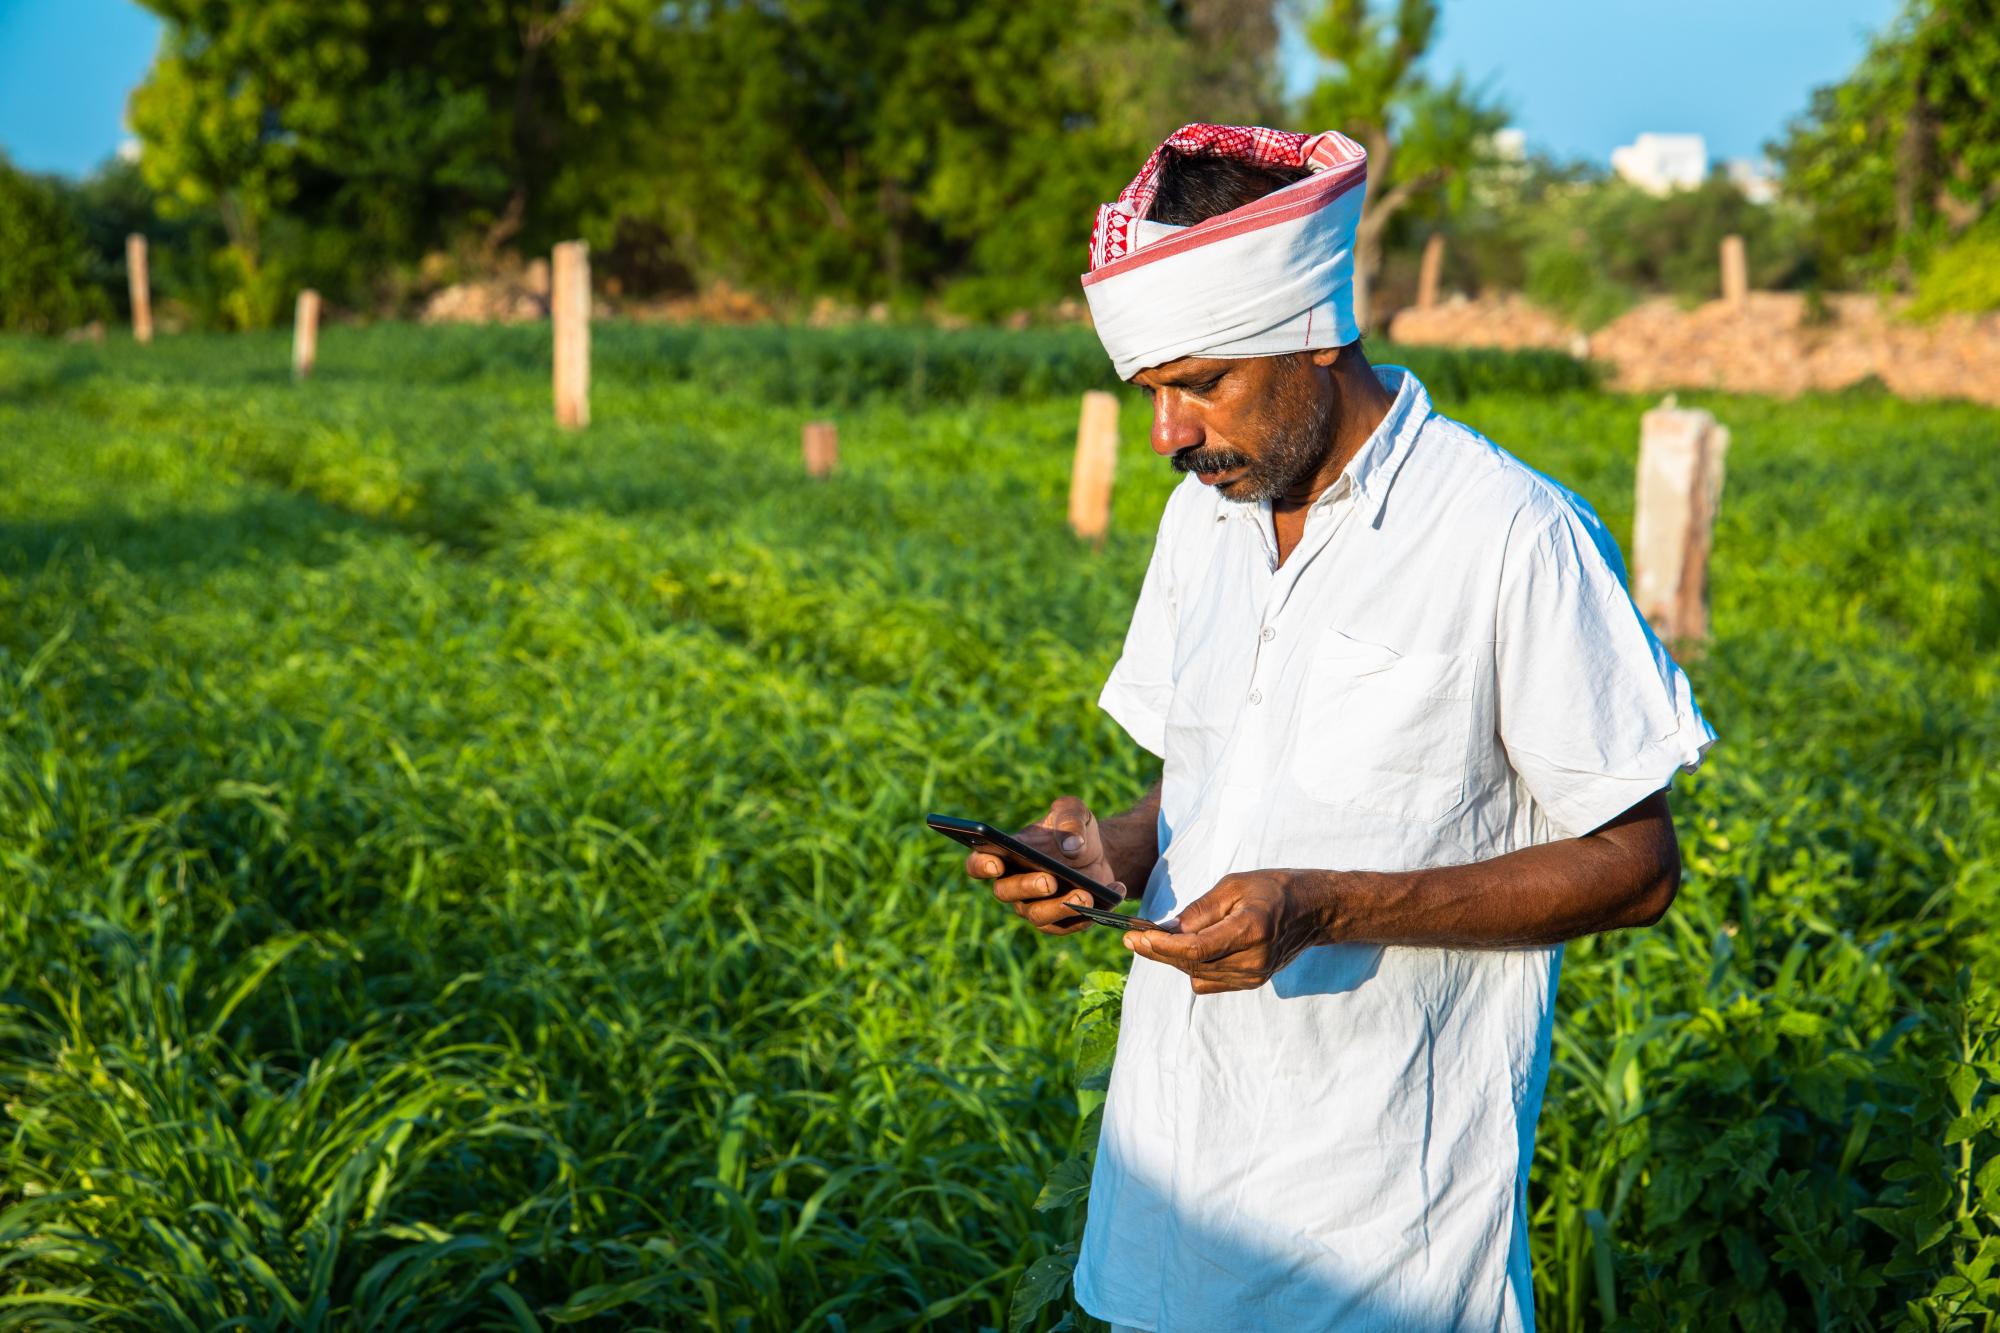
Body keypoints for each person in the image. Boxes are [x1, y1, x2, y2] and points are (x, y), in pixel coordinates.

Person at [962, 124, 1716, 1332]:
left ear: (1315, 330)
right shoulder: (1205, 520)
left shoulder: (1508, 534)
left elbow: (1636, 868)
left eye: (1199, 382)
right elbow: (1215, 773)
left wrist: (1325, 905)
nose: (1169, 436)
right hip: (1171, 1193)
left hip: (1382, 1240)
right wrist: (1108, 848)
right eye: (1151, 393)